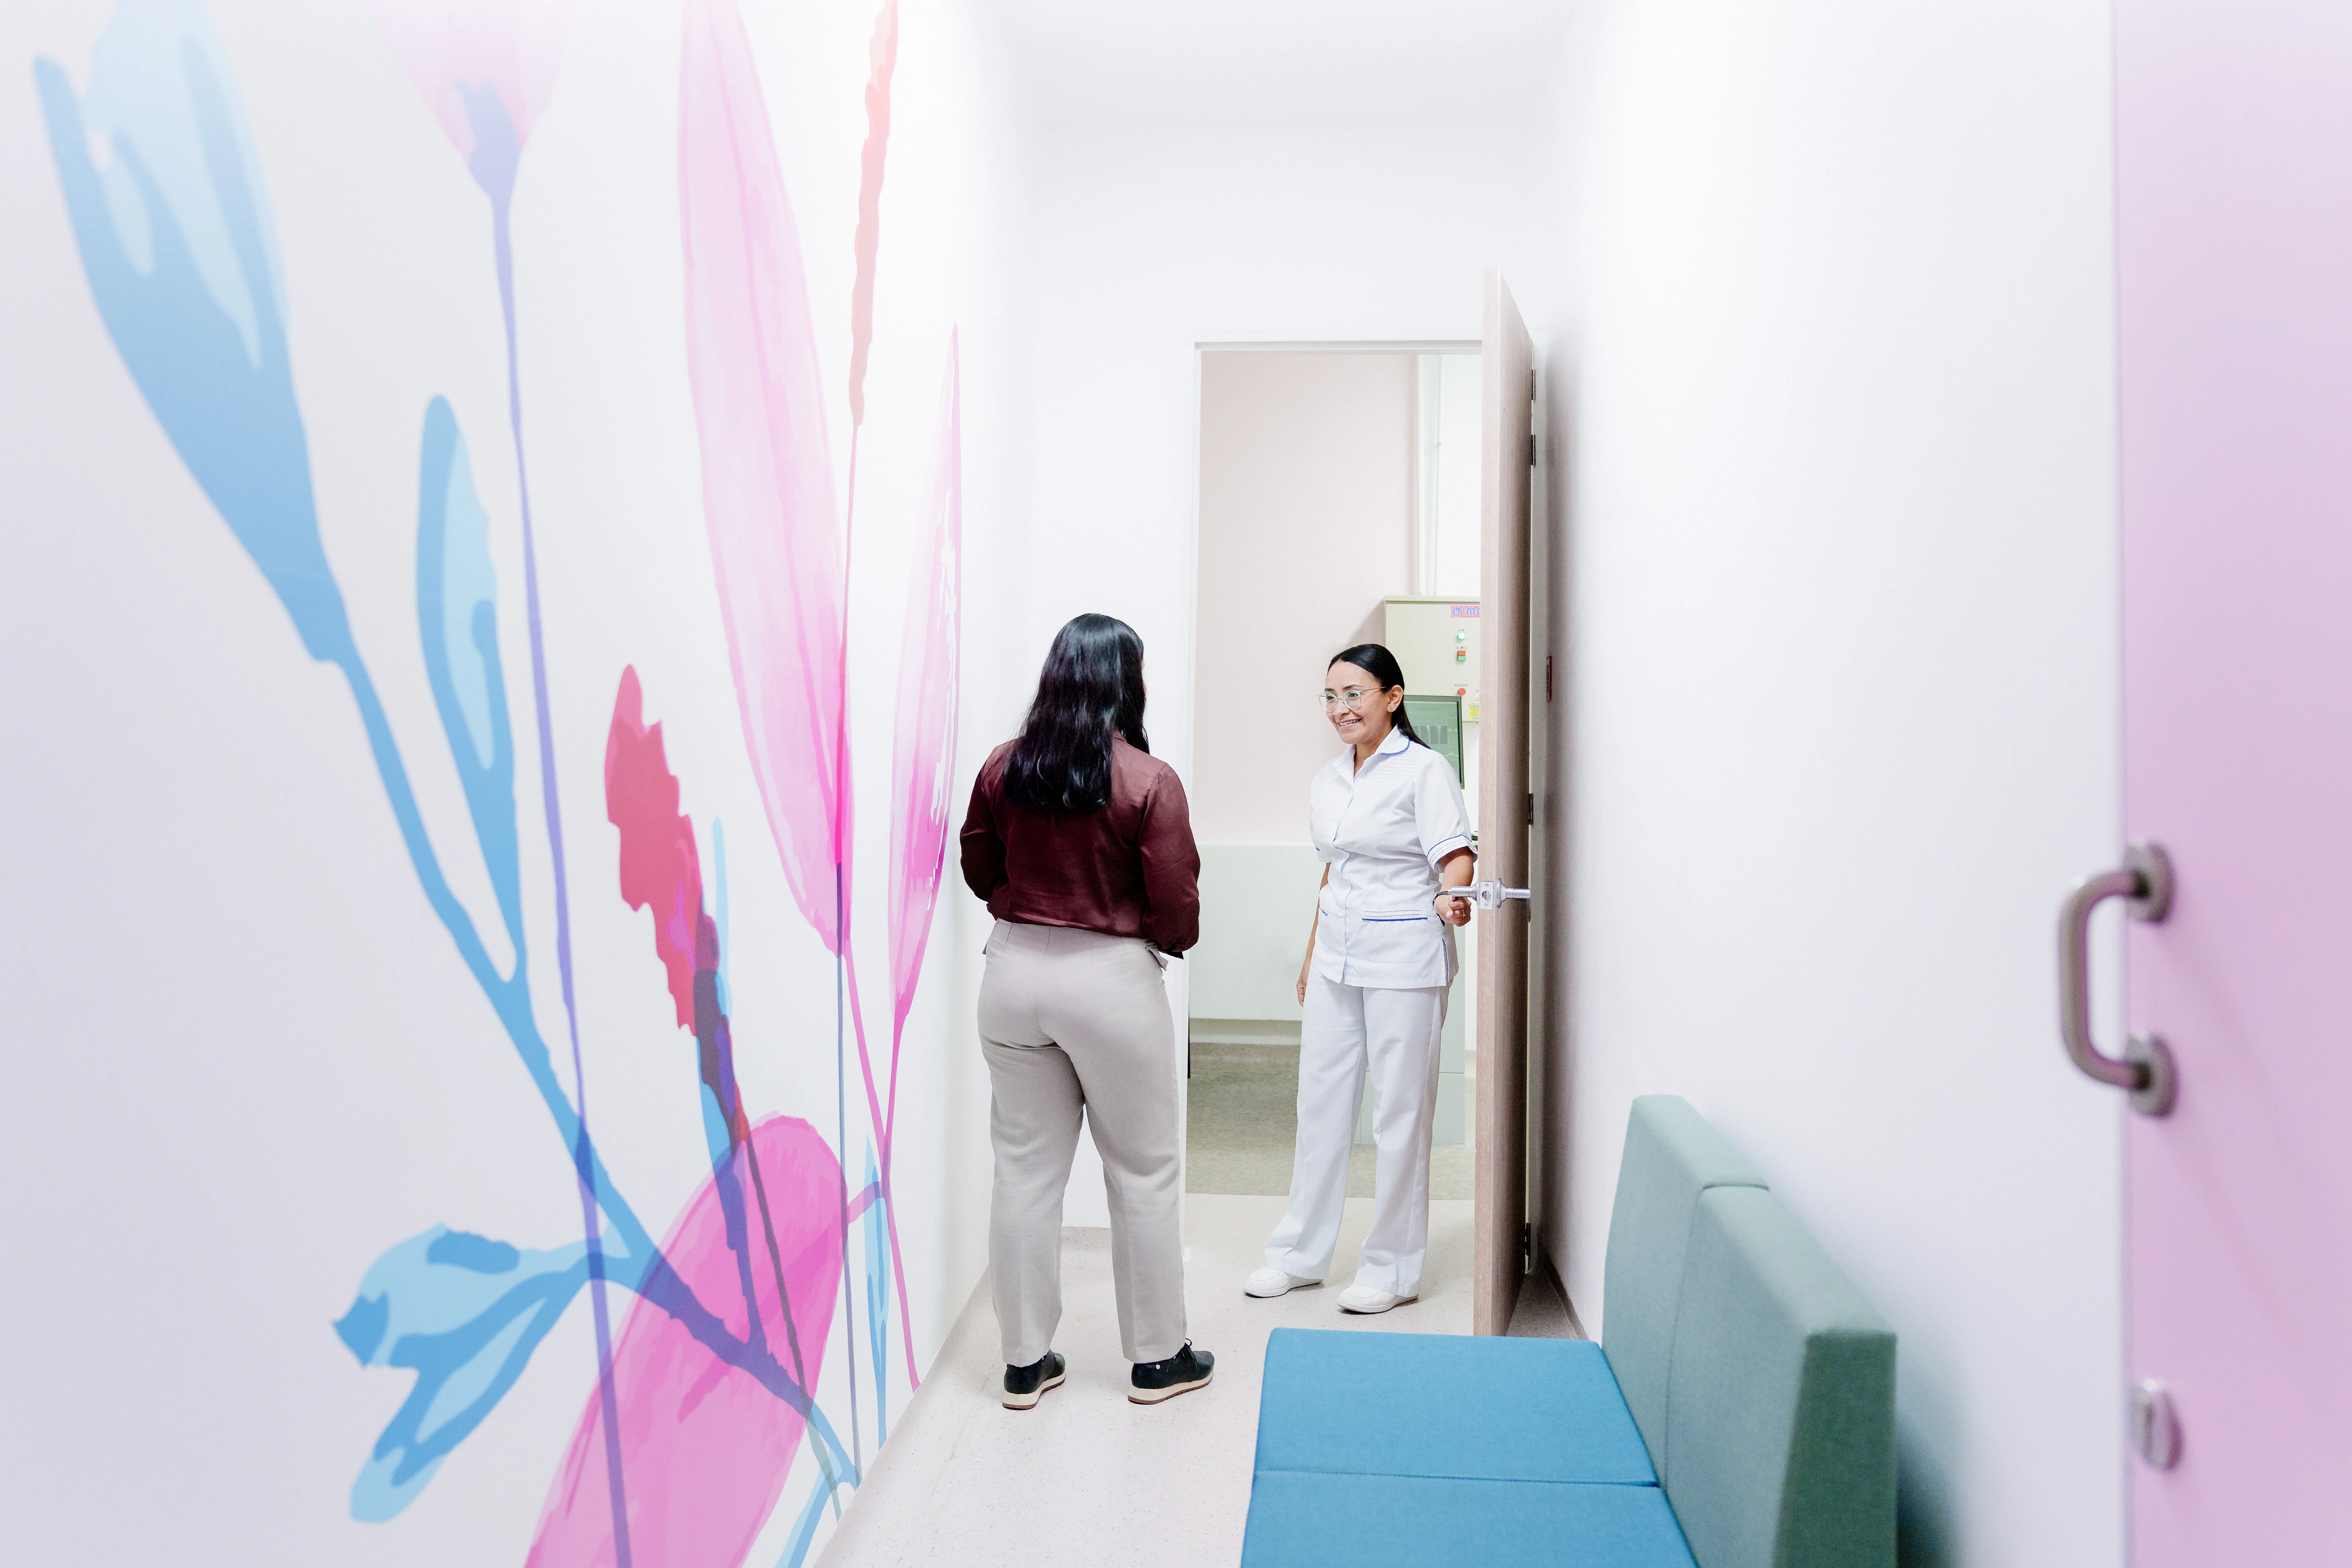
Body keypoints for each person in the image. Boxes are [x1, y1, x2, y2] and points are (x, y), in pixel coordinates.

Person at [959, 613, 1215, 1409]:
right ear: (1125, 680)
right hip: (1108, 980)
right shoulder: (1148, 779)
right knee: (1143, 1170)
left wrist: (1022, 905)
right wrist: (1150, 937)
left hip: (1010, 972)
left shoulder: (1004, 767)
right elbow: (1177, 908)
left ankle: (1026, 1362)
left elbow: (977, 864)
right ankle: (1156, 1358)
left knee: (1025, 1171)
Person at [1246, 643, 1476, 1314]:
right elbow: (1334, 871)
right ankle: (1299, 1253)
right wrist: (1311, 952)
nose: (1340, 708)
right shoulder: (1329, 778)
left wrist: (1449, 896)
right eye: (1330, 696)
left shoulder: (1424, 771)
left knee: (1399, 1112)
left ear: (1393, 697)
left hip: (1405, 952)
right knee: (1318, 1105)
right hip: (1337, 956)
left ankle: (1392, 1267)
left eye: (1355, 693)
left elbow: (1455, 854)